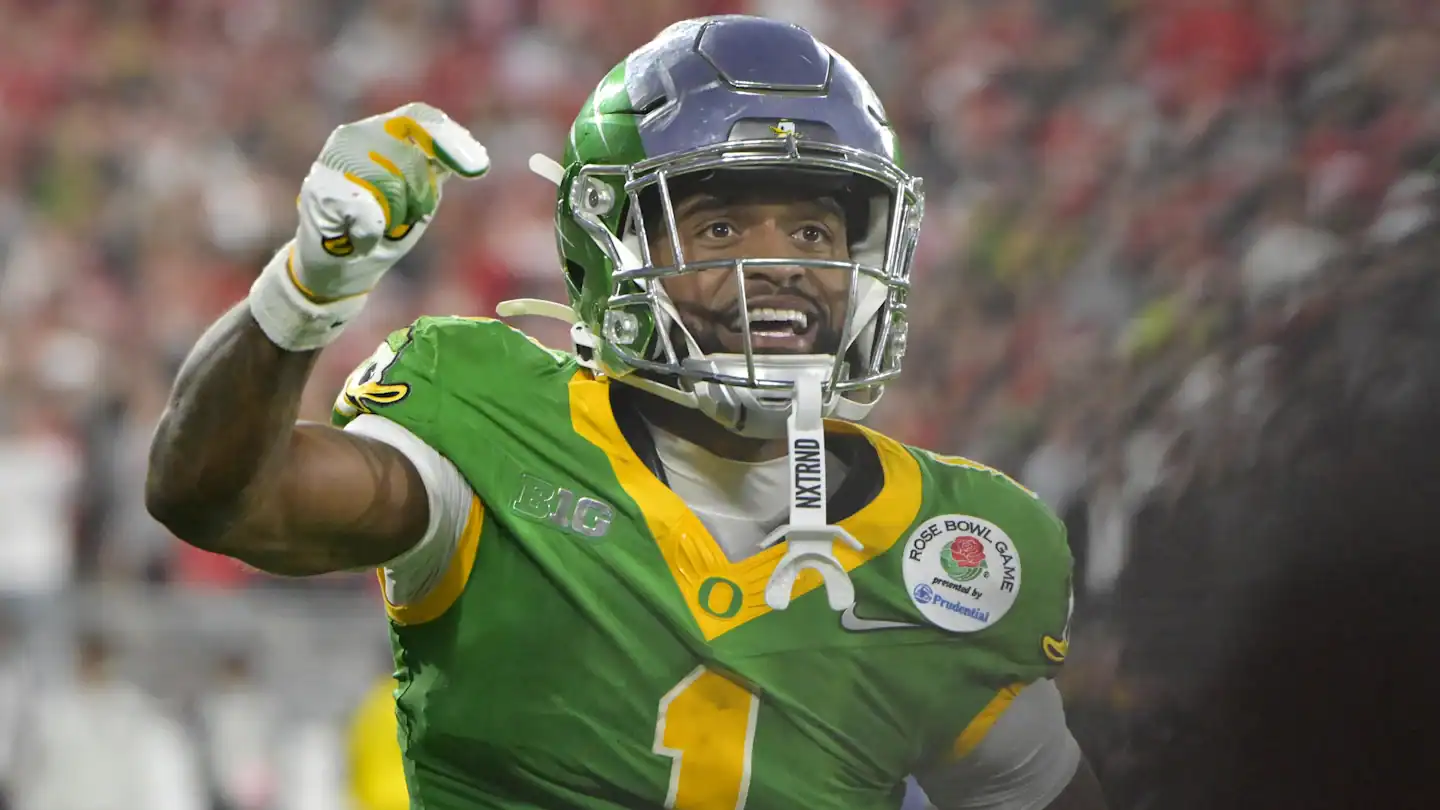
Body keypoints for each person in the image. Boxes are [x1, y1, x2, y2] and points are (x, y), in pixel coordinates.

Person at [146, 15, 1106, 810]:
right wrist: (306, 290)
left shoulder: (959, 547)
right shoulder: (491, 421)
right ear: (611, 252)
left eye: (814, 227)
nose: (779, 264)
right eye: (723, 224)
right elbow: (219, 498)